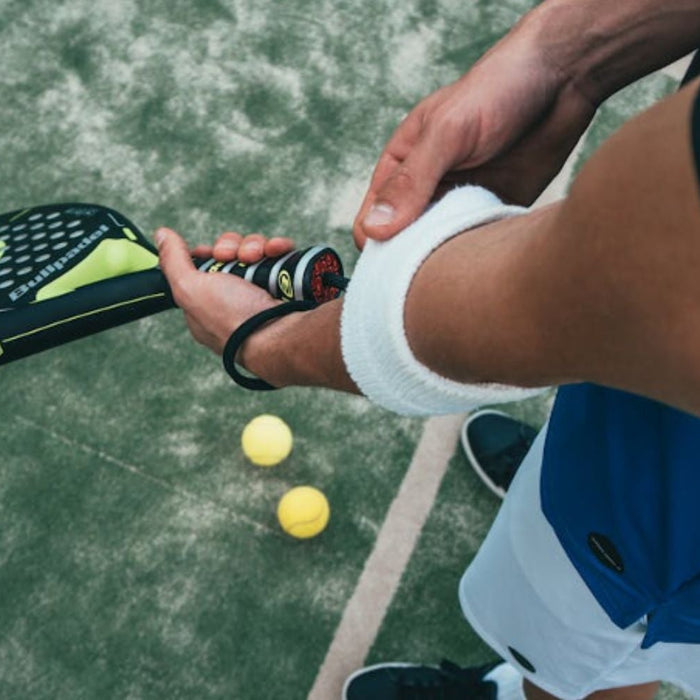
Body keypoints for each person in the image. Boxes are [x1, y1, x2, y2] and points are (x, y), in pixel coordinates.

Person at [155, 0, 700, 697]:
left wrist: (263, 342)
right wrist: (560, 56)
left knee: (591, 649)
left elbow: (588, 302)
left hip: (667, 497)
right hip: (650, 397)